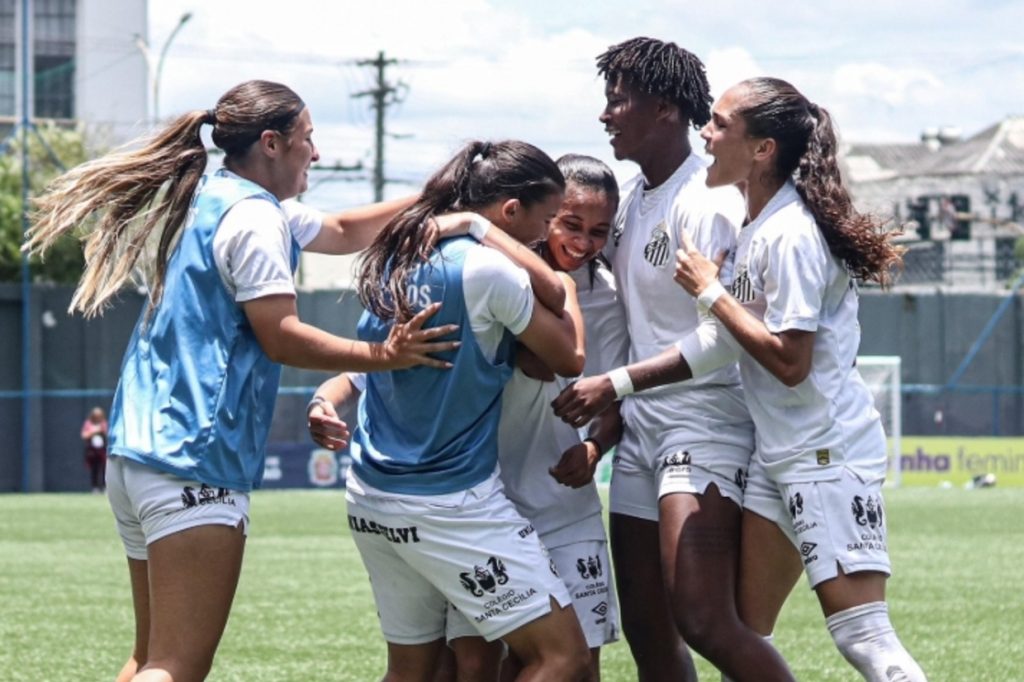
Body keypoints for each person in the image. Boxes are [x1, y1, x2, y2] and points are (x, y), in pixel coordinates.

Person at [23, 80, 462, 682]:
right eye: (309, 139)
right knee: (175, 668)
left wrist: (436, 206)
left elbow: (339, 230)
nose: (318, 151)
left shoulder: (215, 194)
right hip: (193, 460)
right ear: (272, 143)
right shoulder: (256, 218)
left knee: (147, 658)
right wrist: (385, 354)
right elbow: (280, 334)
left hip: (140, 456)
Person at [557, 76, 928, 682]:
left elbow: (790, 362)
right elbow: (735, 342)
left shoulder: (789, 233)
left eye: (722, 124)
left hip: (825, 455)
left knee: (864, 637)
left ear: (762, 149)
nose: (708, 131)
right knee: (739, 631)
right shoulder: (758, 225)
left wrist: (710, 293)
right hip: (775, 455)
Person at [552, 38, 795, 682]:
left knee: (704, 619)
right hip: (640, 429)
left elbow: (724, 342)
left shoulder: (709, 200)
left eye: (617, 100)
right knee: (648, 631)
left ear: (662, 108)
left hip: (705, 424)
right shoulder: (629, 200)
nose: (606, 115)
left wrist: (615, 383)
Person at [313, 139, 591, 682]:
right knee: (562, 656)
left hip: (372, 497)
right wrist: (482, 233)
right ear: (510, 211)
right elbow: (568, 352)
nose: (549, 235)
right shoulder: (487, 271)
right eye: (548, 218)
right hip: (450, 502)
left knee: (411, 671)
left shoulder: (395, 257)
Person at [81, 406, 109, 492]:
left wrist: (101, 430)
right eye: (96, 415)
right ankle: (95, 487)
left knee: (105, 468)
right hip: (92, 450)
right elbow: (84, 435)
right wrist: (94, 431)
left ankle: (105, 487)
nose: (98, 417)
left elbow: (107, 432)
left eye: (99, 415)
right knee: (94, 469)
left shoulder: (103, 423)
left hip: (102, 450)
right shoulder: (88, 423)